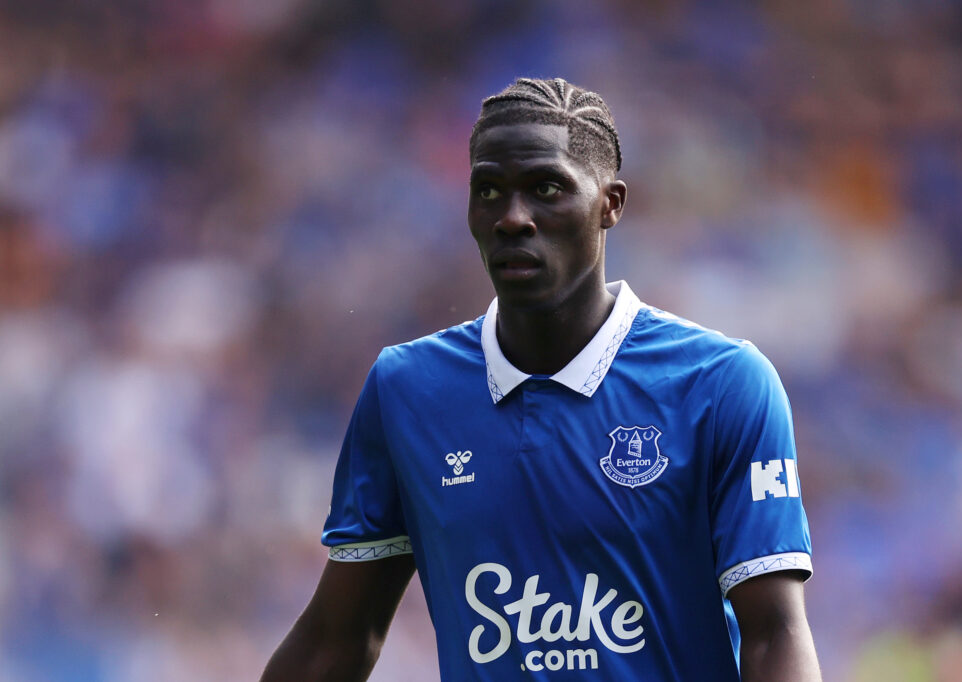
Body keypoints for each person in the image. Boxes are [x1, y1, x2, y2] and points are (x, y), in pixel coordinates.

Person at [261, 77, 821, 681]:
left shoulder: (722, 385)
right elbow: (335, 641)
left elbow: (775, 634)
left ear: (611, 203)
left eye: (546, 188)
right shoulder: (407, 390)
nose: (513, 218)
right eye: (489, 191)